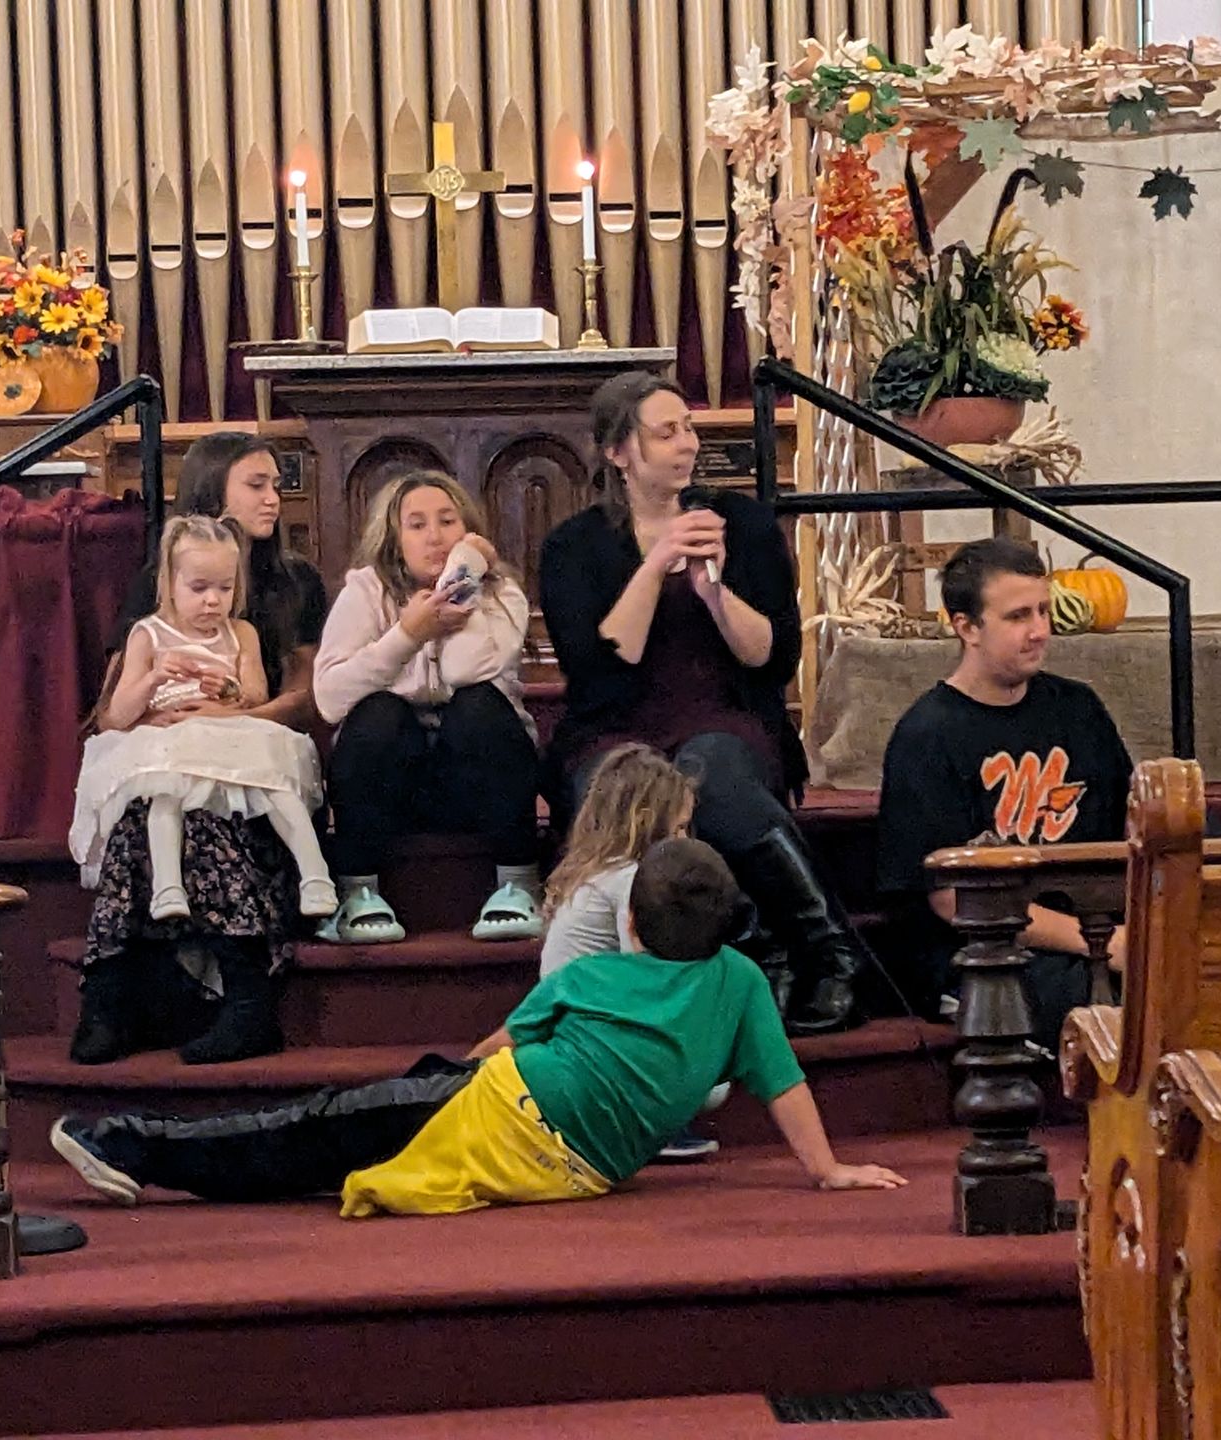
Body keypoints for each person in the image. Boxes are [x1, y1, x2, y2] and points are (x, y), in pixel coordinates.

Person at [48, 837, 907, 1213]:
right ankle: (146, 1151)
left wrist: (445, 1085)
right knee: (356, 1121)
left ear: (632, 926)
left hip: (510, 1109)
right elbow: (785, 1084)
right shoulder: (744, 982)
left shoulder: (595, 972)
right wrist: (827, 1170)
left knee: (308, 1131)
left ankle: (133, 1147)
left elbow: (500, 1047)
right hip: (584, 1171)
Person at [538, 372, 870, 1035]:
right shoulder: (573, 546)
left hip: (725, 715)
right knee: (624, 783)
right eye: (666, 433)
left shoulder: (741, 524)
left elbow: (771, 658)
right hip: (615, 726)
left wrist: (713, 593)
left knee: (710, 773)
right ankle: (742, 955)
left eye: (687, 428)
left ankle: (831, 952)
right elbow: (600, 670)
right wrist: (655, 562)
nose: (686, 443)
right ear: (618, 452)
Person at [73, 433, 331, 1067]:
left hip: (251, 770)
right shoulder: (155, 596)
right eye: (257, 484)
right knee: (149, 808)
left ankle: (248, 1001)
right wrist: (166, 723)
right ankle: (109, 1000)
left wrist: (226, 717)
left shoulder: (295, 581)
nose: (275, 497)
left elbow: (303, 696)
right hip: (165, 753)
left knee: (210, 817)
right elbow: (112, 712)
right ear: (214, 491)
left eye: (277, 483)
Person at [875, 538, 1133, 1052]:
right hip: (990, 946)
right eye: (1017, 616)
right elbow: (951, 899)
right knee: (1098, 1002)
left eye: (1043, 610)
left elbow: (1133, 821)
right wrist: (1097, 943)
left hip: (1096, 928)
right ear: (966, 626)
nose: (1039, 630)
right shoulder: (927, 736)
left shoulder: (1078, 708)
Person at [73, 515, 336, 928]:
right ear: (170, 585)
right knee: (164, 791)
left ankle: (316, 876)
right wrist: (155, 675)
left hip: (227, 730)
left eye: (225, 588)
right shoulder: (148, 634)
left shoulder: (240, 633)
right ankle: (167, 886)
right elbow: (117, 716)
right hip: (171, 736)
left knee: (275, 784)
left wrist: (228, 689)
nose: (213, 601)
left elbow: (256, 694)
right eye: (199, 588)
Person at [313, 470, 542, 945]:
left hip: (476, 782)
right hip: (394, 785)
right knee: (378, 714)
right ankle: (357, 893)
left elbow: (463, 672)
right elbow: (330, 698)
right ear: (395, 539)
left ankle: (518, 885)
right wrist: (408, 635)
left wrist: (462, 580)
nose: (435, 536)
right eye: (416, 525)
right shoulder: (365, 591)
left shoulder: (503, 595)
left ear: (469, 533)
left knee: (478, 706)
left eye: (447, 522)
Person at [537, 740, 728, 1161]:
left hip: (572, 1035)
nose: (684, 841)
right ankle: (649, 1123)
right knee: (710, 1073)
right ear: (645, 824)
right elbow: (645, 980)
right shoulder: (630, 880)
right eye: (678, 830)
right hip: (593, 1044)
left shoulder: (598, 869)